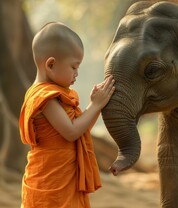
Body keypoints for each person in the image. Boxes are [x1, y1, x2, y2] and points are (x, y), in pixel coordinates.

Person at [19, 22, 115, 208]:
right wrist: (95, 105)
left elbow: (81, 129)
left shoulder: (57, 95)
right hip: (50, 183)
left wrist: (97, 105)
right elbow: (71, 132)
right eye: (74, 67)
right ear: (51, 64)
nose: (77, 74)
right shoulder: (45, 98)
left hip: (65, 178)